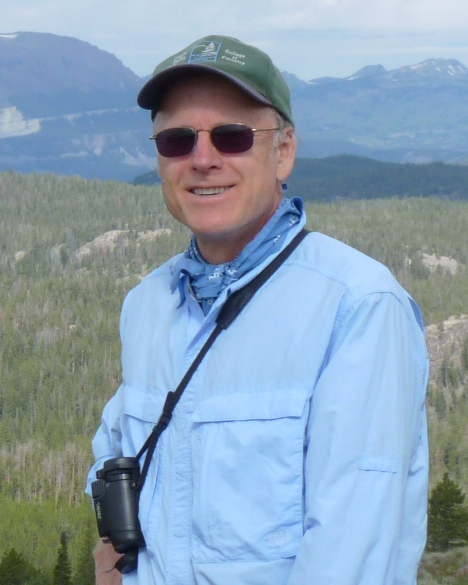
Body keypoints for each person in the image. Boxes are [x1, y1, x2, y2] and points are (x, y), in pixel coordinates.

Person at [86, 35, 429, 584]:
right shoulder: (146, 305)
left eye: (233, 136)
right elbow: (114, 453)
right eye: (177, 140)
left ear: (284, 150)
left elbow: (353, 555)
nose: (202, 159)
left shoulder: (358, 307)